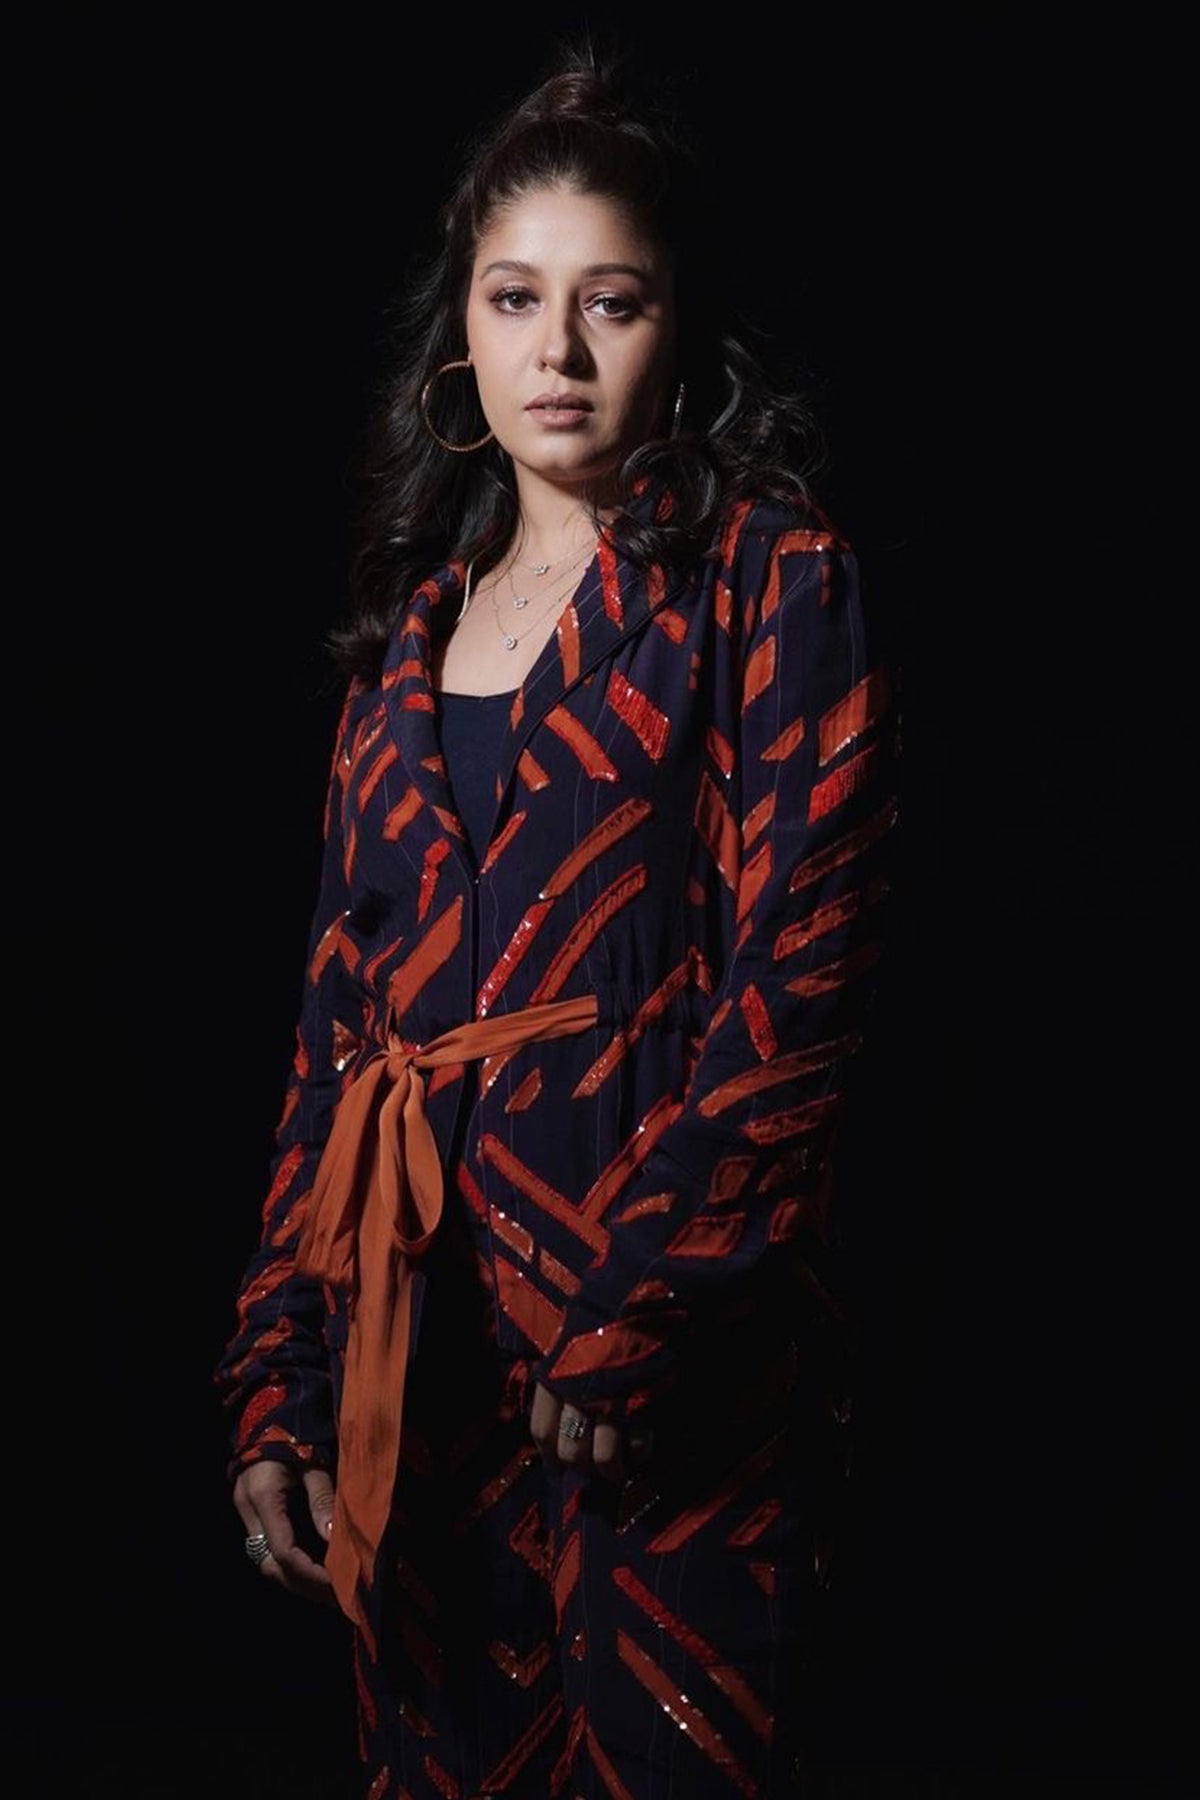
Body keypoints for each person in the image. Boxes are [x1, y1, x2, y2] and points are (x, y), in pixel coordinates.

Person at [215, 38, 897, 1800]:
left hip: (668, 1378)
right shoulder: (400, 650)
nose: (561, 354)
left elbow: (804, 981)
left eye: (613, 301)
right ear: (462, 330)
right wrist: (282, 1373)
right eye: (517, 299)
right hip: (419, 1368)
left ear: (682, 326)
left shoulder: (768, 581)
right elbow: (335, 1043)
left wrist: (641, 1306)